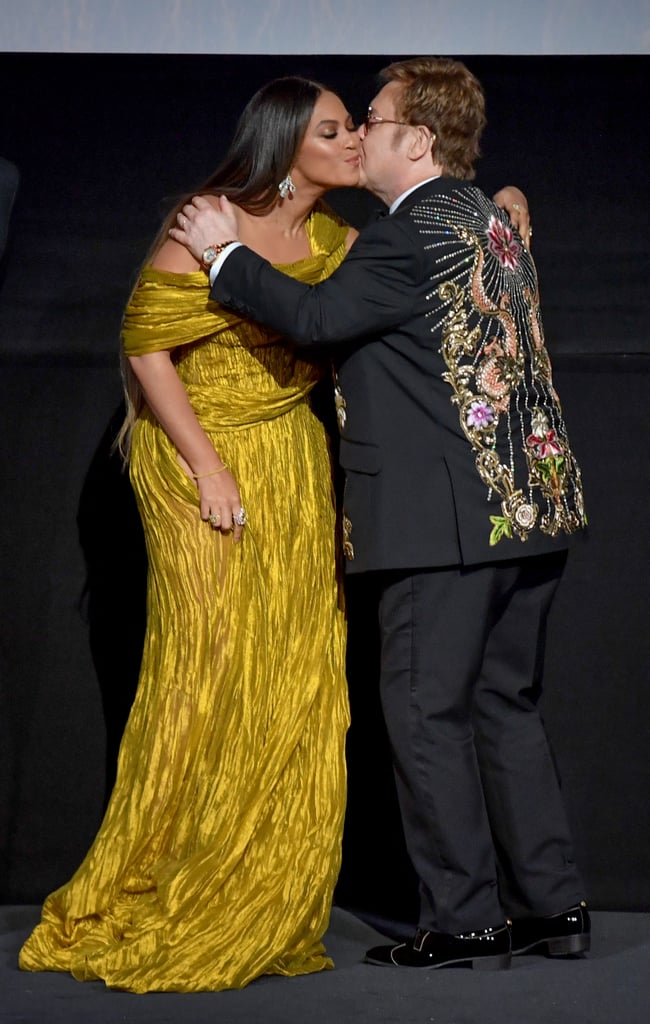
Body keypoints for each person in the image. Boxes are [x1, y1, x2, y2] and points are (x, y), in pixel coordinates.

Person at [19, 74, 530, 992]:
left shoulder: (341, 238)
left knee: (295, 674)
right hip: (198, 463)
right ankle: (174, 875)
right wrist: (207, 466)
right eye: (336, 129)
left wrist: (505, 197)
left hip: (294, 464)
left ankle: (267, 883)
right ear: (287, 140)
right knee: (210, 668)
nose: (352, 142)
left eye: (359, 127)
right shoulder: (207, 216)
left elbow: (404, 270)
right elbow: (145, 345)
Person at [171, 57, 590, 972]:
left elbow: (317, 321)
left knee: (425, 714)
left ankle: (464, 919)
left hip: (442, 525)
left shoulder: (408, 234)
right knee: (503, 705)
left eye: (375, 116)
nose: (360, 131)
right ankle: (555, 908)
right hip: (532, 511)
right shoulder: (489, 216)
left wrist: (222, 253)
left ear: (419, 139)